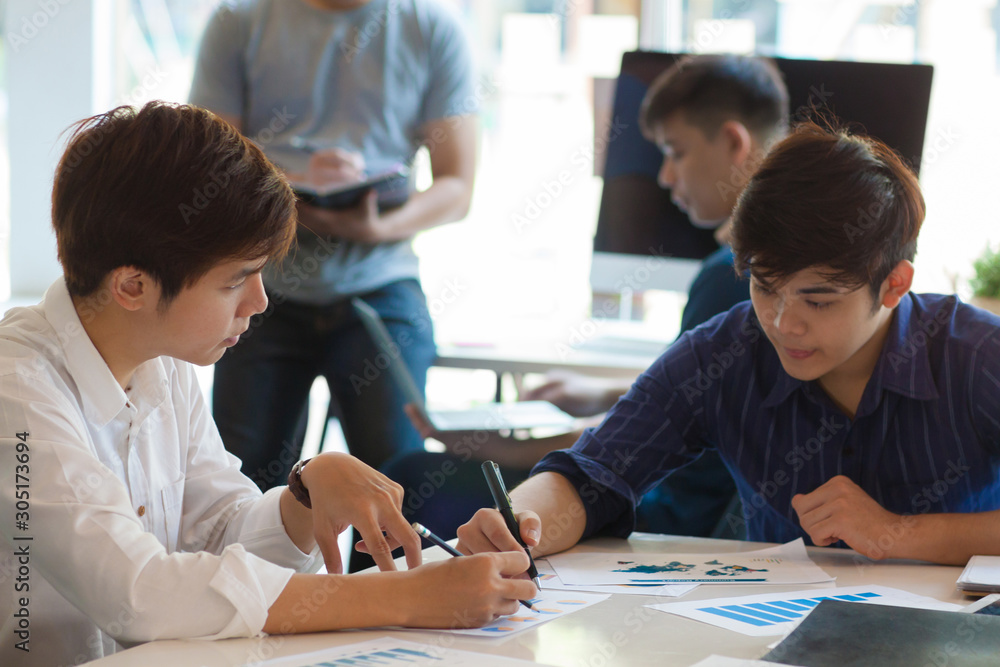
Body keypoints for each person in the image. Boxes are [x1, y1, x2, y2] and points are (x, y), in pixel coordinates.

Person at [0, 102, 532, 667]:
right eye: (236, 281)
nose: (259, 302)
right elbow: (141, 593)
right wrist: (402, 596)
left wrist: (305, 496)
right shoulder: (17, 388)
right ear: (132, 286)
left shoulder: (162, 360)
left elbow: (222, 531)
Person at [453, 119, 1000, 568]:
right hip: (769, 637)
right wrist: (518, 524)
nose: (784, 323)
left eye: (819, 300)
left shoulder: (976, 356)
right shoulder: (723, 351)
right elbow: (595, 473)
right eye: (765, 287)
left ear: (894, 284)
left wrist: (895, 533)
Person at [385, 54, 789, 541]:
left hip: (657, 512)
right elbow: (695, 400)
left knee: (410, 477)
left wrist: (500, 447)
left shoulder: (734, 279)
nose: (664, 176)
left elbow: (642, 444)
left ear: (732, 142)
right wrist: (600, 393)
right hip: (667, 497)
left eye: (675, 151)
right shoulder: (757, 274)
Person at [188, 0, 477, 489]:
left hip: (380, 279)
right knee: (237, 479)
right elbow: (210, 162)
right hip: (263, 283)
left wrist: (380, 229)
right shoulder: (237, 21)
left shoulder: (432, 28)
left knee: (396, 482)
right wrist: (292, 185)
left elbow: (458, 186)